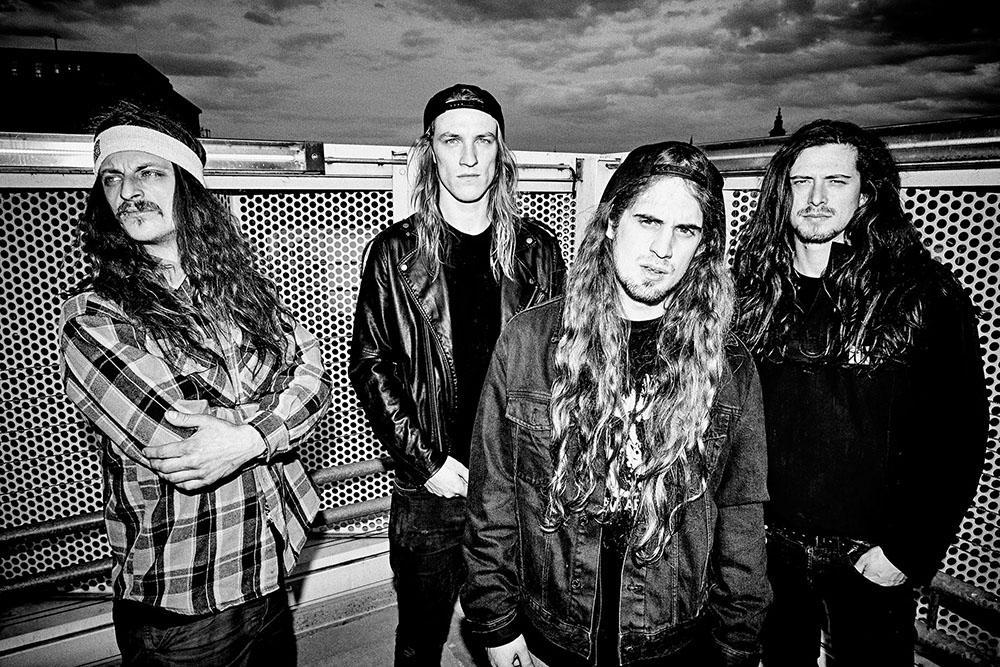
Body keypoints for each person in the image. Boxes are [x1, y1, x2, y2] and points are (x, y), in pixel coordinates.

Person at [463, 141, 771, 667]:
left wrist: (737, 645)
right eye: (648, 221)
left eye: (686, 230)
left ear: (703, 247)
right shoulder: (528, 341)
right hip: (553, 627)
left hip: (669, 637)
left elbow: (741, 519)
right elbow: (492, 498)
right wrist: (496, 625)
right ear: (610, 223)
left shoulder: (729, 365)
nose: (663, 249)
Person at [60, 102, 332, 666]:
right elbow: (183, 444)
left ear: (187, 187)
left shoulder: (238, 289)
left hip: (267, 574)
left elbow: (314, 374)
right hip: (184, 605)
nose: (128, 191)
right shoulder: (95, 316)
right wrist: (272, 419)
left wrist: (246, 437)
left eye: (149, 172)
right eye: (112, 179)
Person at [733, 119, 989, 666]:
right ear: (781, 193)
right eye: (801, 181)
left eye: (836, 181)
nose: (816, 198)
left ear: (867, 192)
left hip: (867, 558)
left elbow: (960, 433)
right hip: (767, 550)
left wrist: (908, 551)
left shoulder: (922, 295)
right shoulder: (752, 293)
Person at [348, 83, 566, 665]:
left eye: (483, 141)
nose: (468, 157)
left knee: (520, 634)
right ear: (430, 152)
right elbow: (371, 364)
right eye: (452, 141)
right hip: (433, 487)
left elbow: (562, 361)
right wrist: (429, 463)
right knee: (420, 639)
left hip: (517, 480)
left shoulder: (537, 251)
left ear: (500, 152)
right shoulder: (395, 252)